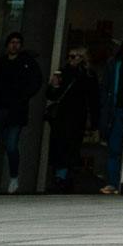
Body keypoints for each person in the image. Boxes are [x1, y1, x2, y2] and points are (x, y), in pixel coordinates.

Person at [0, 33, 42, 194]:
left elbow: (36, 82)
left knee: (11, 146)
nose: (15, 45)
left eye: (18, 43)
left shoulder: (27, 63)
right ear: (7, 45)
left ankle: (13, 177)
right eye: (12, 42)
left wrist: (23, 97)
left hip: (15, 111)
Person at [43, 46, 99, 193]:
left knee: (70, 147)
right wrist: (53, 85)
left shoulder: (88, 75)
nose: (71, 59)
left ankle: (64, 177)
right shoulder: (62, 72)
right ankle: (59, 177)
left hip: (77, 117)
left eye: (74, 56)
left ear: (82, 58)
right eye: (69, 56)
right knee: (59, 146)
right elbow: (51, 95)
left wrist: (94, 122)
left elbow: (93, 99)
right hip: (61, 116)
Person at [98, 35, 123, 193]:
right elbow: (106, 87)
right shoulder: (115, 64)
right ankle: (114, 181)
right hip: (118, 109)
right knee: (115, 147)